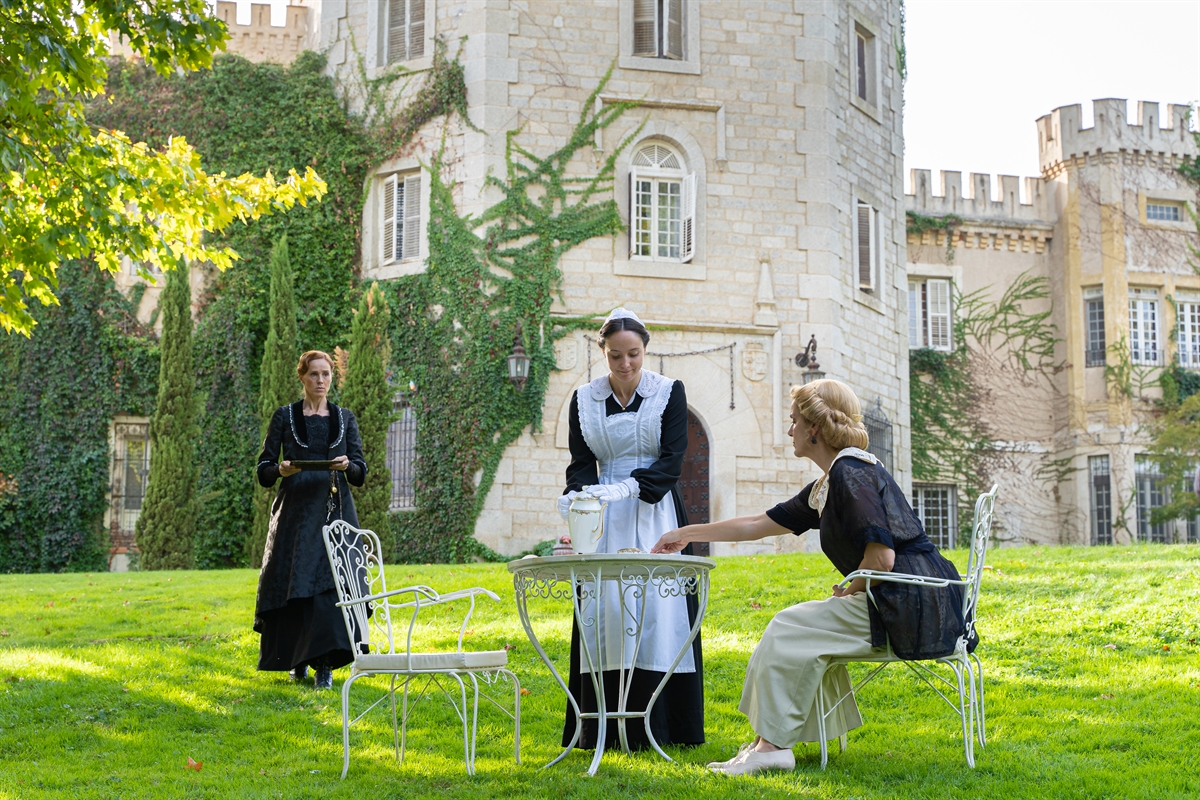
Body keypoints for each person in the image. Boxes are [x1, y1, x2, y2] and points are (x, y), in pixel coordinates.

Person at [652, 378, 973, 775]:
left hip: (909, 603)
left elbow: (882, 557)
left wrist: (851, 589)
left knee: (788, 627)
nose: (790, 430)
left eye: (794, 421)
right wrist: (685, 534)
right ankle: (768, 743)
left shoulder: (850, 473)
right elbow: (756, 524)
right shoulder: (832, 481)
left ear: (814, 428)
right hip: (908, 596)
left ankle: (772, 748)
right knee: (800, 625)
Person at [555, 307, 705, 751]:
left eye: (633, 354)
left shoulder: (668, 393)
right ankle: (601, 724)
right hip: (603, 517)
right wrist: (577, 498)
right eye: (616, 355)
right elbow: (581, 464)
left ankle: (662, 725)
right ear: (603, 352)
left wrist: (625, 489)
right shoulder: (584, 400)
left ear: (645, 350)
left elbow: (672, 460)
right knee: (604, 611)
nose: (625, 364)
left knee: (659, 611)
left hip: (655, 509)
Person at [255, 350, 368, 690]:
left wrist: (348, 466)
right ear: (302, 377)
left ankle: (325, 665)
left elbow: (361, 472)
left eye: (326, 374)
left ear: (332, 378)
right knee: (297, 584)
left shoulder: (345, 418)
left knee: (331, 585)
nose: (321, 380)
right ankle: (297, 660)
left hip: (335, 512)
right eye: (314, 374)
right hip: (295, 514)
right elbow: (263, 470)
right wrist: (281, 469)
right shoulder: (284, 416)